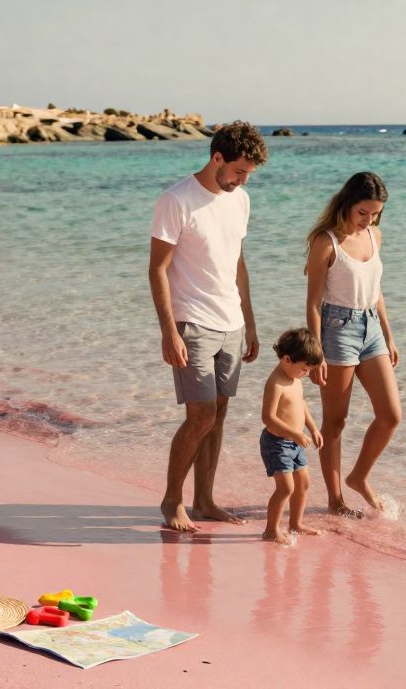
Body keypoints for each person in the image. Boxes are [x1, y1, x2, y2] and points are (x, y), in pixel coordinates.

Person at [149, 121, 268, 532]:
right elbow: (158, 270)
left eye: (248, 174)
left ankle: (204, 500)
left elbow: (237, 262)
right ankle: (172, 500)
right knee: (199, 416)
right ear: (217, 157)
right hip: (192, 323)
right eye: (238, 171)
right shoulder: (176, 200)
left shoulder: (241, 201)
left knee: (217, 415)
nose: (242, 180)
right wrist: (169, 331)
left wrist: (249, 322)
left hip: (231, 322)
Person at [305, 172, 401, 516]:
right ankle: (335, 501)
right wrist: (316, 353)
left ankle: (359, 477)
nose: (369, 219)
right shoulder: (325, 242)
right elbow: (314, 303)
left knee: (390, 415)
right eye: (363, 212)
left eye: (375, 213)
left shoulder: (375, 235)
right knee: (335, 422)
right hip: (336, 330)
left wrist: (388, 335)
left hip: (371, 328)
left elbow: (377, 292)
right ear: (347, 203)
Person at [259, 328, 325, 544]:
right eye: (304, 369)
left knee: (303, 483)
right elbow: (268, 417)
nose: (306, 374)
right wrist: (295, 433)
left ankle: (295, 523)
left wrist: (313, 428)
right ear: (287, 359)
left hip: (294, 442)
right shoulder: (276, 382)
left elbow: (301, 405)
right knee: (286, 487)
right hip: (277, 443)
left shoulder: (295, 379)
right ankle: (271, 530)